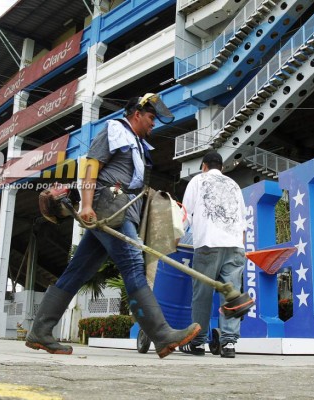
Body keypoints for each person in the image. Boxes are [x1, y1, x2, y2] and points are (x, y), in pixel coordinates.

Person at [26, 93, 200, 357]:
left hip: (121, 209)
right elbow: (90, 166)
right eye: (151, 118)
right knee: (132, 265)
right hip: (109, 205)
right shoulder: (115, 130)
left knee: (77, 272)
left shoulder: (138, 144)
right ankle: (162, 335)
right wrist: (86, 204)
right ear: (137, 114)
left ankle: (40, 331)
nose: (154, 124)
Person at [180, 151, 247, 358]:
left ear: (204, 166)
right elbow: (243, 219)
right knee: (231, 294)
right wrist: (240, 246)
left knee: (202, 294)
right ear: (222, 168)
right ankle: (228, 344)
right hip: (235, 245)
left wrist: (176, 238)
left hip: (209, 243)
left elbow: (185, 213)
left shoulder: (197, 181)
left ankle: (198, 343)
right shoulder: (234, 185)